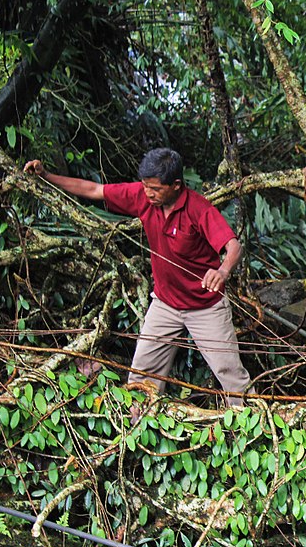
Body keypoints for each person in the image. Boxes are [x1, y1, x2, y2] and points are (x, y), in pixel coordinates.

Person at [24, 148, 253, 406]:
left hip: (205, 307)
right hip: (165, 304)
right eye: (145, 187)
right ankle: (139, 426)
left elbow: (233, 246)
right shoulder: (143, 197)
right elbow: (93, 190)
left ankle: (252, 429)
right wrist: (47, 175)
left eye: (155, 189)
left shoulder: (198, 209)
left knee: (230, 374)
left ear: (176, 185)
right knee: (141, 377)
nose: (148, 194)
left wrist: (223, 271)